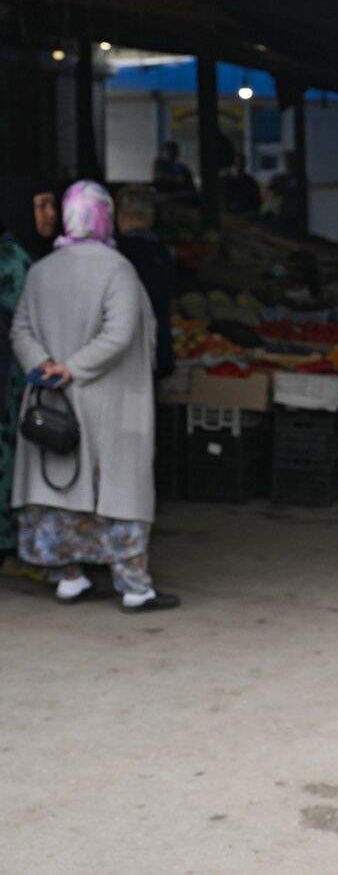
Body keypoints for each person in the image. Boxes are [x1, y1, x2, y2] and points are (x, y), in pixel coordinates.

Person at [10, 180, 179, 612]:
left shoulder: (41, 268)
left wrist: (47, 366)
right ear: (105, 216)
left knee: (59, 488)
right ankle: (134, 587)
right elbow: (120, 334)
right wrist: (75, 368)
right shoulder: (117, 269)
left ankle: (69, 577)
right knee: (116, 494)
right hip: (108, 401)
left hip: (53, 401)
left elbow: (20, 329)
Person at [115, 185, 176, 380]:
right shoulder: (162, 254)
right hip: (157, 351)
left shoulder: (114, 254)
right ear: (150, 218)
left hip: (122, 356)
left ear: (121, 216)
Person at [0, 199, 32, 564]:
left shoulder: (13, 257)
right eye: (40, 206)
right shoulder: (13, 258)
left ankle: (9, 544)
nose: (49, 214)